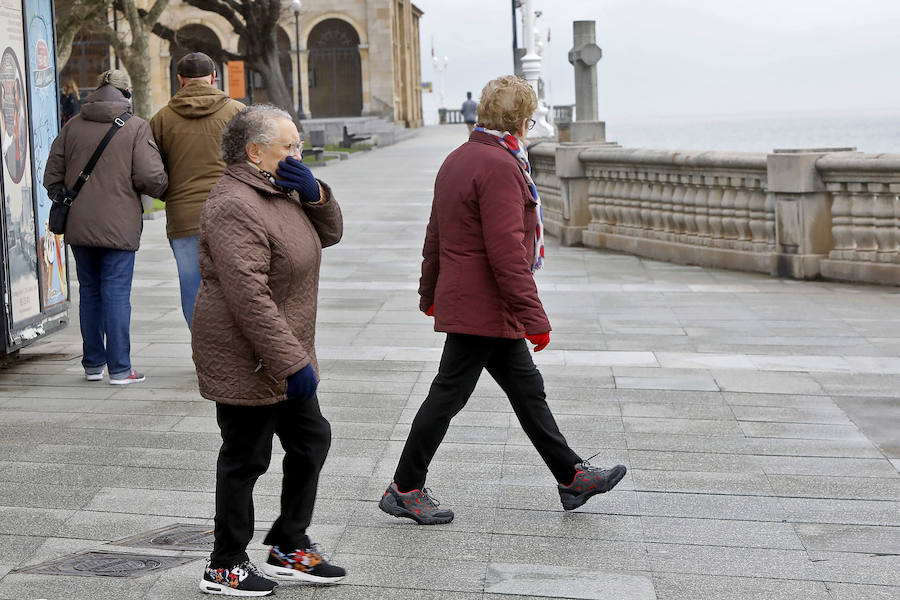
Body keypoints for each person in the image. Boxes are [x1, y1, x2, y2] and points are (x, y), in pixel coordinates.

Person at [379, 75, 627, 525]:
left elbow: (435, 236)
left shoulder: (458, 158)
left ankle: (572, 478)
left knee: (526, 390)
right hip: (485, 304)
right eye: (529, 118)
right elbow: (506, 251)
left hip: (476, 301)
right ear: (520, 120)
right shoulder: (499, 166)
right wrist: (536, 318)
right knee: (448, 395)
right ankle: (405, 487)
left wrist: (429, 291)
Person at [192, 104, 345, 597]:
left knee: (310, 440)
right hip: (248, 353)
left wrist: (315, 192)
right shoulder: (234, 203)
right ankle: (225, 564)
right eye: (290, 146)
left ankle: (288, 545)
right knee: (246, 456)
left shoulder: (279, 190)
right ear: (255, 151)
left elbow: (331, 233)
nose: (298, 153)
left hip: (284, 347)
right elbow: (246, 294)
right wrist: (290, 360)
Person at [43, 69, 167, 385]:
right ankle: (121, 369)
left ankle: (93, 364)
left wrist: (72, 200)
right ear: (126, 93)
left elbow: (52, 175)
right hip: (119, 225)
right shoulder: (137, 128)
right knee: (115, 292)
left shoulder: (72, 127)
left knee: (90, 292)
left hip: (80, 226)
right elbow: (151, 179)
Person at [150, 52, 244, 328]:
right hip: (232, 212)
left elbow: (151, 171)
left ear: (180, 80)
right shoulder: (238, 113)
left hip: (184, 216)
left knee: (192, 287)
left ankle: (205, 353)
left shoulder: (161, 119)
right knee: (238, 284)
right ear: (214, 77)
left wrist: (170, 195)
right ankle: (235, 352)